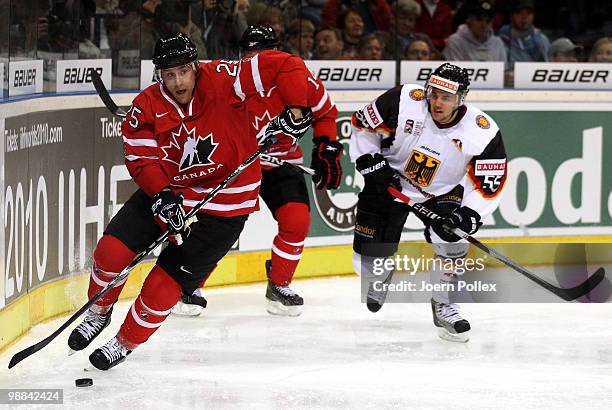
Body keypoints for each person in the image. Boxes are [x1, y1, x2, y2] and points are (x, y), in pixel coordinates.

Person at [67, 32, 313, 370]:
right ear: (159, 76)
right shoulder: (147, 105)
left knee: (162, 287)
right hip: (171, 192)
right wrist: (162, 195)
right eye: (169, 75)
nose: (177, 81)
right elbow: (141, 159)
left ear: (195, 67)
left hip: (226, 205)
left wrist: (297, 108)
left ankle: (124, 342)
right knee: (110, 253)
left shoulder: (227, 80)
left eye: (183, 71)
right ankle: (99, 311)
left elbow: (287, 65)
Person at [173, 25, 343, 317]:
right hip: (238, 165)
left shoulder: (299, 81)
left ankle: (279, 283)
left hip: (281, 163)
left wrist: (325, 145)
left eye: (265, 53)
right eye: (252, 54)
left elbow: (325, 112)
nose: (259, 61)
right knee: (217, 230)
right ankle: (189, 285)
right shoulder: (232, 82)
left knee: (297, 220)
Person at [349, 62, 507, 342]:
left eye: (446, 97)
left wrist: (468, 215)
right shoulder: (403, 100)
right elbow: (363, 125)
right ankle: (379, 274)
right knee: (366, 259)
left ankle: (445, 303)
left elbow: (488, 185)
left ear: (461, 98)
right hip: (390, 182)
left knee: (453, 242)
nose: (437, 102)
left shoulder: (482, 131)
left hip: (441, 192)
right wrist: (370, 162)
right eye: (433, 94)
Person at [498, 0, 550, 65]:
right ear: (512, 15)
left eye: (528, 13)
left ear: (533, 16)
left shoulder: (541, 39)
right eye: (519, 13)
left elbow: (548, 66)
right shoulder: (502, 37)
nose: (524, 17)